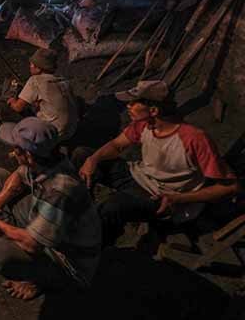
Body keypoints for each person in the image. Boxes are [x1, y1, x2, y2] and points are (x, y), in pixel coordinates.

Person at [75, 81, 239, 246]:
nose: (128, 106)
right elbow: (117, 145)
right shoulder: (143, 125)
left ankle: (93, 249)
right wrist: (93, 159)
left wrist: (179, 199)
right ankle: (80, 211)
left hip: (162, 198)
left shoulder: (194, 139)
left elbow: (229, 187)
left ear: (153, 110)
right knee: (82, 154)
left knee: (112, 208)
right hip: (139, 176)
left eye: (134, 103)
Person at [0, 117, 102, 300]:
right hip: (51, 229)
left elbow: (33, 245)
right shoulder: (47, 160)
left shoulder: (60, 190)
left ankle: (41, 281)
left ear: (27, 155)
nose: (12, 152)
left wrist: (0, 226)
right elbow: (18, 176)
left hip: (69, 261)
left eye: (16, 149)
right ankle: (9, 231)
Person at [5, 48, 78, 141]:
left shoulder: (35, 81)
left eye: (32, 64)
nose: (30, 66)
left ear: (39, 68)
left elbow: (18, 107)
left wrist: (12, 102)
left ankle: (23, 140)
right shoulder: (64, 81)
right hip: (72, 130)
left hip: (54, 134)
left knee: (8, 111)